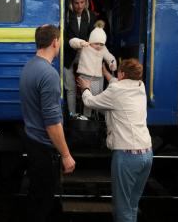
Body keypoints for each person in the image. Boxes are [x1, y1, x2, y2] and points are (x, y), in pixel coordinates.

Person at [76, 58, 152, 222]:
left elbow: (89, 102)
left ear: (122, 74)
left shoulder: (116, 90)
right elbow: (119, 83)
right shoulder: (140, 86)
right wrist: (107, 75)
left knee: (122, 209)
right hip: (146, 154)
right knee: (132, 205)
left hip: (127, 157)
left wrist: (86, 88)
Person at [19, 24, 76, 222]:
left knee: (36, 198)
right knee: (43, 202)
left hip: (32, 140)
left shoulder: (29, 67)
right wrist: (66, 155)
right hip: (43, 147)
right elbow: (52, 123)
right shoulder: (49, 74)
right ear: (55, 42)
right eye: (59, 41)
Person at [69, 20, 117, 118]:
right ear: (91, 41)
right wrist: (80, 43)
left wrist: (112, 64)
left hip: (98, 78)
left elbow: (110, 57)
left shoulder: (103, 49)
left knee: (98, 98)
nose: (99, 46)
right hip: (85, 76)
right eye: (96, 43)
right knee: (88, 98)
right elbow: (72, 42)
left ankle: (95, 116)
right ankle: (87, 117)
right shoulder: (85, 46)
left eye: (101, 44)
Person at [64, 0, 96, 116]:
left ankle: (86, 117)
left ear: (86, 1)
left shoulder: (90, 16)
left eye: (82, 2)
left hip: (85, 57)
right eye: (76, 3)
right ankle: (72, 115)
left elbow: (95, 37)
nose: (80, 6)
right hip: (68, 56)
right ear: (71, 2)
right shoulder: (65, 16)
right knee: (70, 88)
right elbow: (63, 39)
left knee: (86, 87)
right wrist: (72, 43)